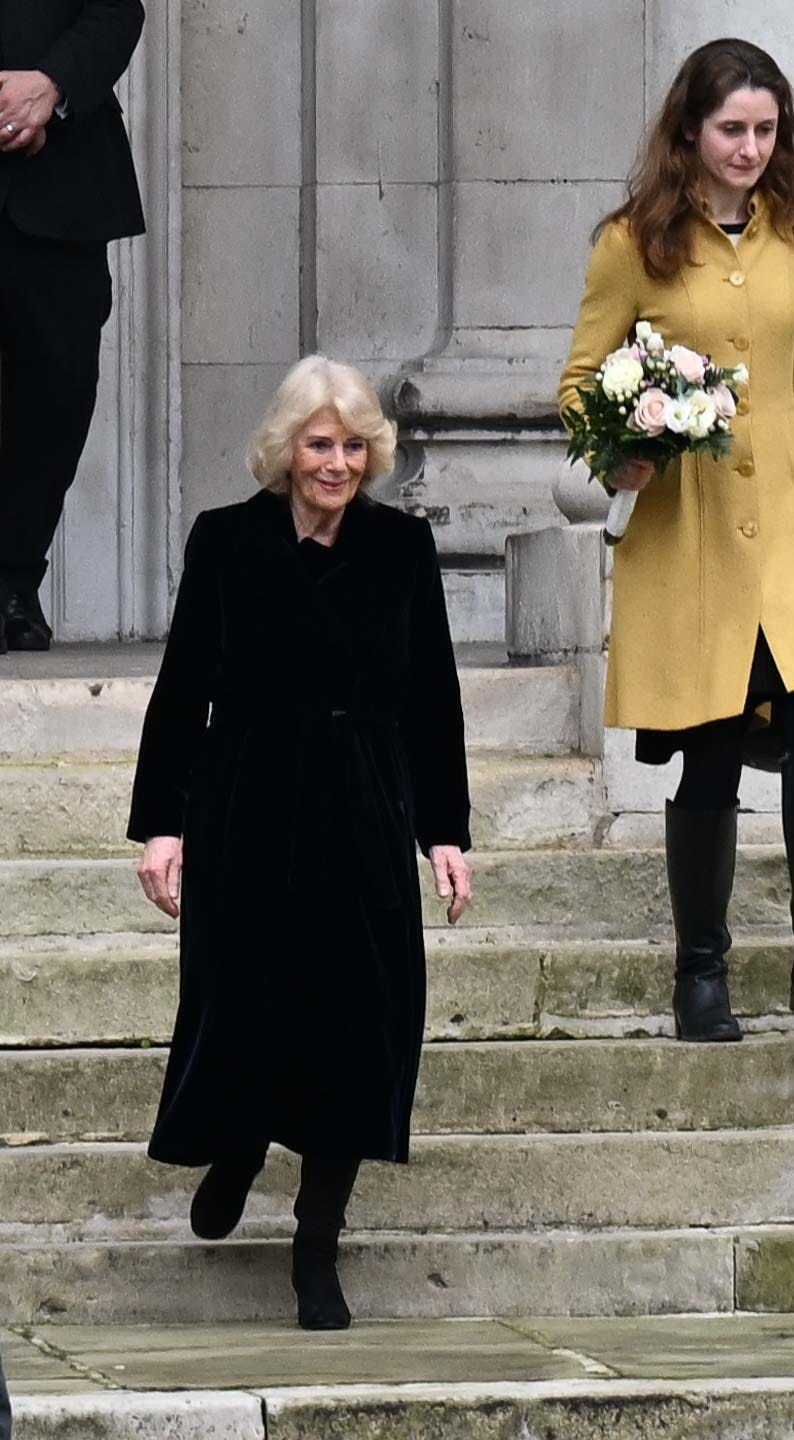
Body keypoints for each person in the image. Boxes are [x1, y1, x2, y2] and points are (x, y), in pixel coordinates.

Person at [129, 356, 473, 1329]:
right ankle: (236, 1148)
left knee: (360, 1027)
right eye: (321, 443)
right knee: (244, 1006)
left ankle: (316, 1248)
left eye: (355, 445)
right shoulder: (228, 541)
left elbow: (430, 703)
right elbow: (182, 687)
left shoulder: (400, 550)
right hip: (247, 807)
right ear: (287, 449)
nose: (338, 462)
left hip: (361, 812)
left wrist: (443, 834)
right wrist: (162, 824)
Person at [559, 38, 794, 1043]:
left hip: (791, 529)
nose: (748, 147)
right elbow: (579, 385)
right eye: (731, 128)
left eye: (765, 130)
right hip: (687, 534)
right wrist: (624, 450)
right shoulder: (630, 244)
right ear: (687, 132)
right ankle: (703, 975)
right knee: (713, 752)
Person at [0, 0, 145, 653]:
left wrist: (49, 86)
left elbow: (115, 11)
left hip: (62, 183)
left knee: (58, 391)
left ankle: (11, 582)